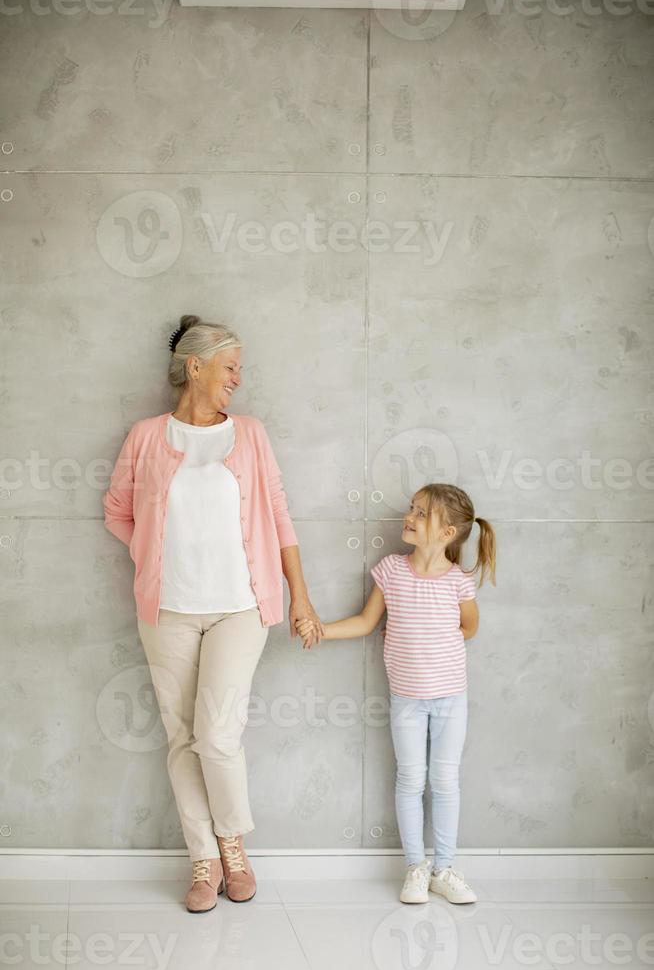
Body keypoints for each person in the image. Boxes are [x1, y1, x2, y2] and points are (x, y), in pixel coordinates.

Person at [103, 314, 324, 913]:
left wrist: (299, 595)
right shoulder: (147, 436)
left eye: (240, 371)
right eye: (230, 368)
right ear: (194, 366)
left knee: (216, 735)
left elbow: (278, 516)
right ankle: (201, 861)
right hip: (166, 608)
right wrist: (151, 555)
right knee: (181, 738)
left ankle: (233, 846)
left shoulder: (249, 434)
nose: (237, 380)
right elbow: (117, 510)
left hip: (240, 609)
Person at [297, 484, 496, 905]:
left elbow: (469, 629)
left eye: (422, 513)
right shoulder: (391, 570)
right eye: (412, 509)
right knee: (410, 779)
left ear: (448, 532)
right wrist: (323, 629)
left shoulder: (458, 582)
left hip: (449, 699)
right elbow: (368, 622)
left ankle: (444, 867)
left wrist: (427, 639)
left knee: (444, 780)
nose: (409, 517)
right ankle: (415, 867)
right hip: (406, 698)